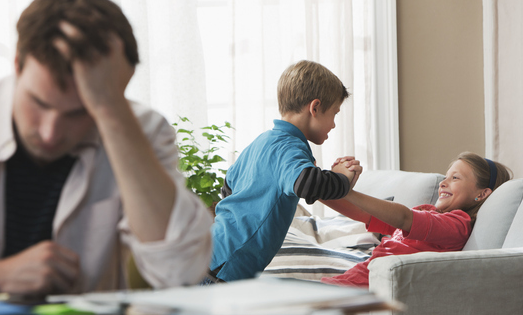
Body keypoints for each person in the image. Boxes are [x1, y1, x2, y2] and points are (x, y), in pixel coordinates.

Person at [0, 0, 213, 296]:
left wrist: (110, 111)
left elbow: (180, 271)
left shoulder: (140, 130)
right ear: (16, 64)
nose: (50, 133)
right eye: (39, 103)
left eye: (79, 112)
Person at [207, 60, 361, 283]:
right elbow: (307, 183)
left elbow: (228, 185)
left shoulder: (263, 141)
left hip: (213, 252)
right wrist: (342, 178)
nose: (334, 125)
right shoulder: (289, 146)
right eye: (335, 114)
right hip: (226, 263)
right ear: (315, 108)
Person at [321, 152, 512, 288]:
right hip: (346, 284)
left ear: (481, 194)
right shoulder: (428, 211)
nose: (443, 182)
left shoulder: (457, 225)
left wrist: (347, 190)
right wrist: (318, 186)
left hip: (361, 293)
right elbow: (362, 213)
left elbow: (404, 217)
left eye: (455, 178)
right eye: (445, 177)